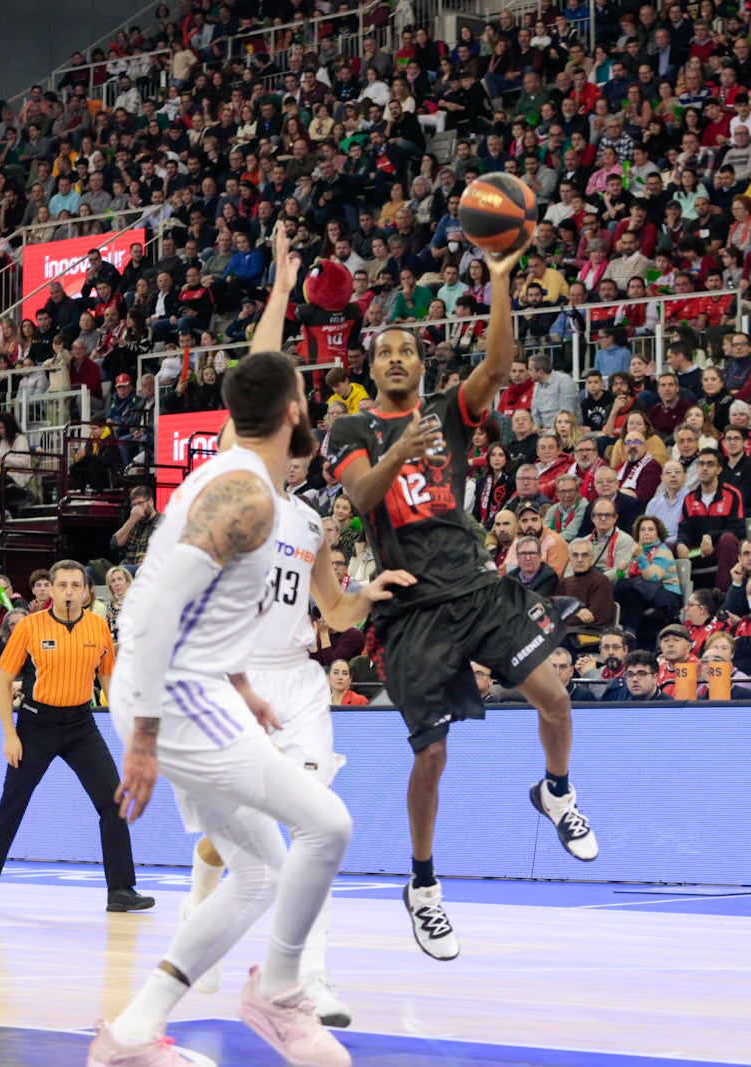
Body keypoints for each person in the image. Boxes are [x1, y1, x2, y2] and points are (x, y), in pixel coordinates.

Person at [327, 235, 598, 963]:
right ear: (370, 367)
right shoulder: (352, 428)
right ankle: (422, 885)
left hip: (477, 587)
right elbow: (360, 498)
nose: (394, 359)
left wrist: (502, 278)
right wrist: (398, 449)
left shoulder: (449, 411)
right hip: (412, 611)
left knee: (556, 697)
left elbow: (499, 364)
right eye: (383, 351)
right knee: (433, 755)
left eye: (406, 351)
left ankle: (557, 791)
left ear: (419, 365)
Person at [176, 246, 417, 1027]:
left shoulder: (312, 521)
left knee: (316, 825)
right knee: (233, 845)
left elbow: (334, 614)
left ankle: (308, 978)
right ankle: (199, 893)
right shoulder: (232, 483)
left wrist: (363, 597)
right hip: (232, 683)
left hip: (297, 680)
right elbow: (261, 373)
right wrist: (280, 291)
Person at [97, 337, 354, 1065]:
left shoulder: (236, 479)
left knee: (259, 874)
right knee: (327, 825)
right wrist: (144, 738)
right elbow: (154, 611)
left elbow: (203, 605)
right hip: (171, 694)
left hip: (188, 685)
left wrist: (239, 680)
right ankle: (278, 993)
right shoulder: (247, 497)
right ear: (296, 411)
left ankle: (133, 1033)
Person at [0, 560, 153, 916]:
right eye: (62, 585)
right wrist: (10, 735)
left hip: (82, 724)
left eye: (75, 585)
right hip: (37, 724)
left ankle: (121, 890)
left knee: (114, 802)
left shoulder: (99, 627)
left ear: (86, 591)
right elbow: (3, 682)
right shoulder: (30, 627)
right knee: (11, 807)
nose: (69, 591)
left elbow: (108, 682)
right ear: (50, 590)